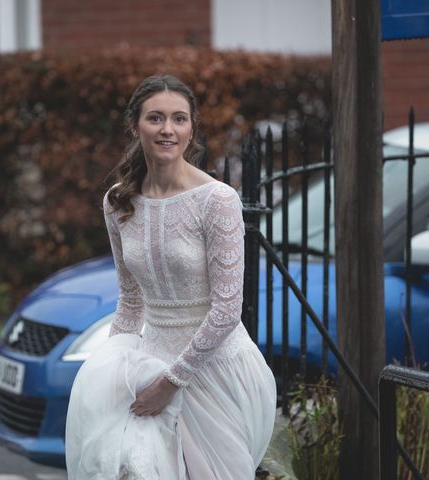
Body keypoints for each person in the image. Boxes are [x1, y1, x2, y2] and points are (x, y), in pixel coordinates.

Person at [65, 74, 276, 479]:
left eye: (179, 119)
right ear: (135, 125)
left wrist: (172, 382)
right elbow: (130, 301)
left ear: (191, 127)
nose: (167, 129)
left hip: (214, 372)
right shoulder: (117, 202)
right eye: (155, 118)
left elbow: (228, 308)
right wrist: (112, 373)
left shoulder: (217, 200)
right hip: (150, 364)